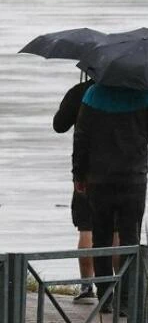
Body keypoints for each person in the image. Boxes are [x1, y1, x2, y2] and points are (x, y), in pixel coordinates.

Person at [72, 84, 148, 315]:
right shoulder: (146, 96)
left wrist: (79, 174)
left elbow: (81, 137)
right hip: (133, 180)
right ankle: (127, 302)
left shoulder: (92, 95)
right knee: (130, 239)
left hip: (99, 180)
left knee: (101, 238)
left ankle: (105, 295)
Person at [53, 77, 99, 303]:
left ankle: (87, 288)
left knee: (86, 228)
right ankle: (118, 289)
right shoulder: (131, 92)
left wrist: (77, 95)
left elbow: (59, 125)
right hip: (124, 174)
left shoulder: (82, 91)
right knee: (118, 231)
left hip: (87, 173)